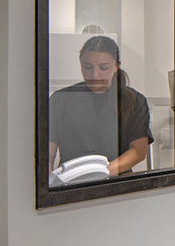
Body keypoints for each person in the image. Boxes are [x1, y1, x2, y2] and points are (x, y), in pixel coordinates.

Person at [49, 35, 153, 177]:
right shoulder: (60, 100)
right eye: (87, 67)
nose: (95, 74)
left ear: (117, 66)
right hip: (71, 183)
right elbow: (47, 154)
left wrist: (101, 173)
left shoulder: (135, 101)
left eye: (103, 68)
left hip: (118, 183)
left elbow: (138, 152)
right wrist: (49, 184)